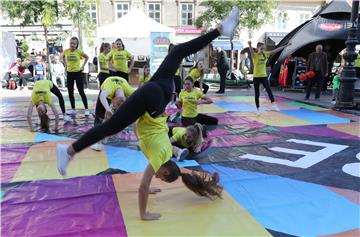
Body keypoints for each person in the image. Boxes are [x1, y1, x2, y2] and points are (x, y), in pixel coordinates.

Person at [56, 6, 239, 221]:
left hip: (163, 88)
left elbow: (151, 179)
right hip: (152, 102)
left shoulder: (162, 154)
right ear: (164, 171)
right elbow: (143, 187)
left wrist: (153, 185)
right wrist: (144, 215)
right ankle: (68, 151)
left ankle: (220, 29)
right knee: (110, 127)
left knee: (178, 51)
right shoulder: (158, 156)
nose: (156, 178)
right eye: (160, 178)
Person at [91, 76, 135, 151]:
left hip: (121, 82)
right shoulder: (109, 89)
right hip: (109, 82)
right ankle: (97, 141)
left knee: (117, 121)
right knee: (99, 116)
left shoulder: (130, 91)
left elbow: (143, 97)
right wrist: (108, 109)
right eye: (116, 105)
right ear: (112, 100)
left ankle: (105, 136)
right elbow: (102, 96)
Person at [248, 41, 289, 115]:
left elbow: (275, 50)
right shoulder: (255, 55)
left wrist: (285, 46)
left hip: (263, 76)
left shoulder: (266, 54)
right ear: (258, 49)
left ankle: (273, 104)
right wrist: (250, 45)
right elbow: (251, 51)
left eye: (264, 48)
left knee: (268, 90)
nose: (263, 50)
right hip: (256, 77)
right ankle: (258, 109)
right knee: (257, 93)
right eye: (261, 48)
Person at [63, 37, 90, 116]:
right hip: (69, 73)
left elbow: (87, 57)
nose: (72, 45)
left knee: (81, 91)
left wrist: (83, 66)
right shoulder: (66, 51)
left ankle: (86, 109)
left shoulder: (79, 51)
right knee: (70, 92)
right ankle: (73, 109)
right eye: (71, 43)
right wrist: (65, 65)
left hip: (78, 73)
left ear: (76, 44)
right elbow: (63, 57)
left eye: (74, 44)